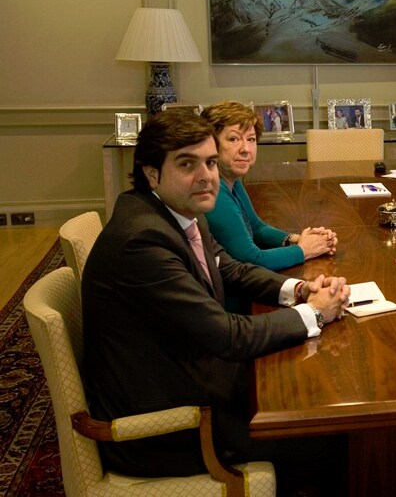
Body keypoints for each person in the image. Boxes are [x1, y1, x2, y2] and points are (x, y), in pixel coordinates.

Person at [81, 109, 350, 491]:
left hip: (185, 379)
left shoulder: (175, 211)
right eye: (187, 164)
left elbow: (230, 269)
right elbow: (227, 336)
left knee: (313, 397)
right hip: (170, 425)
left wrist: (300, 291)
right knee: (330, 437)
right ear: (151, 173)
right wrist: (316, 314)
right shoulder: (143, 240)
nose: (206, 175)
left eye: (209, 162)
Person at [200, 101, 337, 273]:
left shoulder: (230, 178)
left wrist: (297, 239)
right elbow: (252, 259)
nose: (245, 149)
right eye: (234, 139)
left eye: (251, 139)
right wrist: (304, 250)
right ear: (210, 144)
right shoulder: (213, 191)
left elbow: (257, 228)